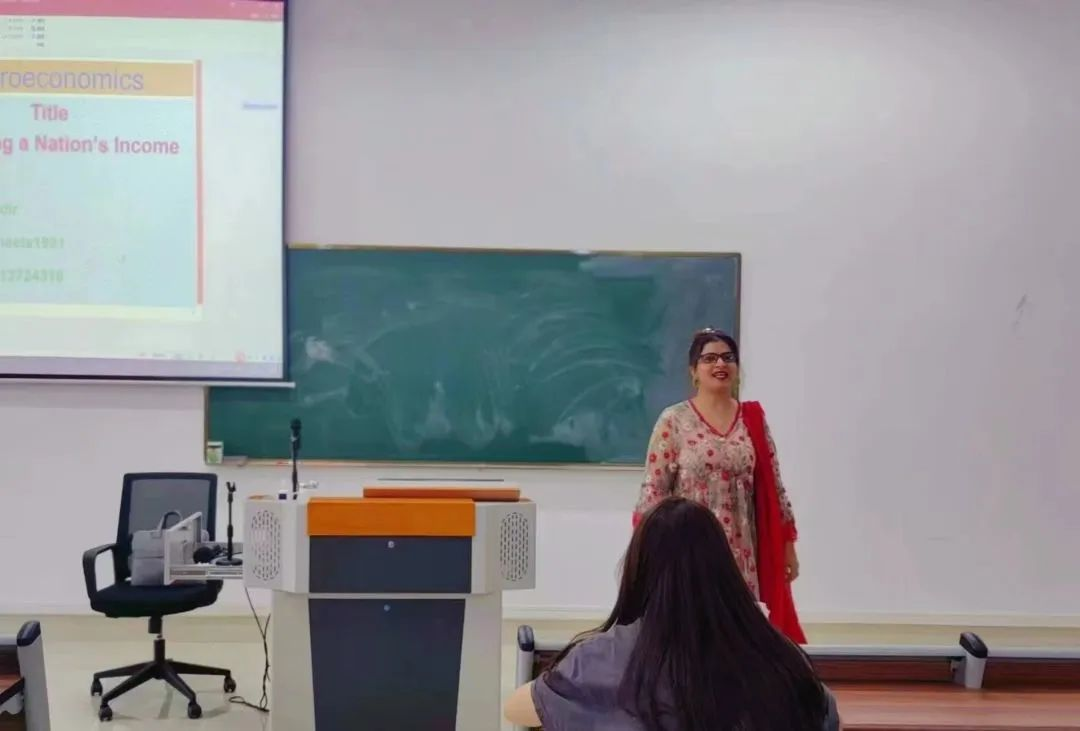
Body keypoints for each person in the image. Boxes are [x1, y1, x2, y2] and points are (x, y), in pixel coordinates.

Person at [504, 497, 840, 731]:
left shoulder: (601, 658)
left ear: (639, 571)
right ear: (724, 571)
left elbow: (517, 707)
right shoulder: (778, 658)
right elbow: (827, 716)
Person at [632, 328, 805, 643]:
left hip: (742, 553)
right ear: (693, 371)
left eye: (728, 357)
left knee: (740, 639)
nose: (720, 364)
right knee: (692, 634)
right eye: (709, 358)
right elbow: (653, 491)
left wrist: (787, 547)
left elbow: (775, 488)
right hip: (689, 551)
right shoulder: (673, 420)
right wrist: (648, 554)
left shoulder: (752, 420)